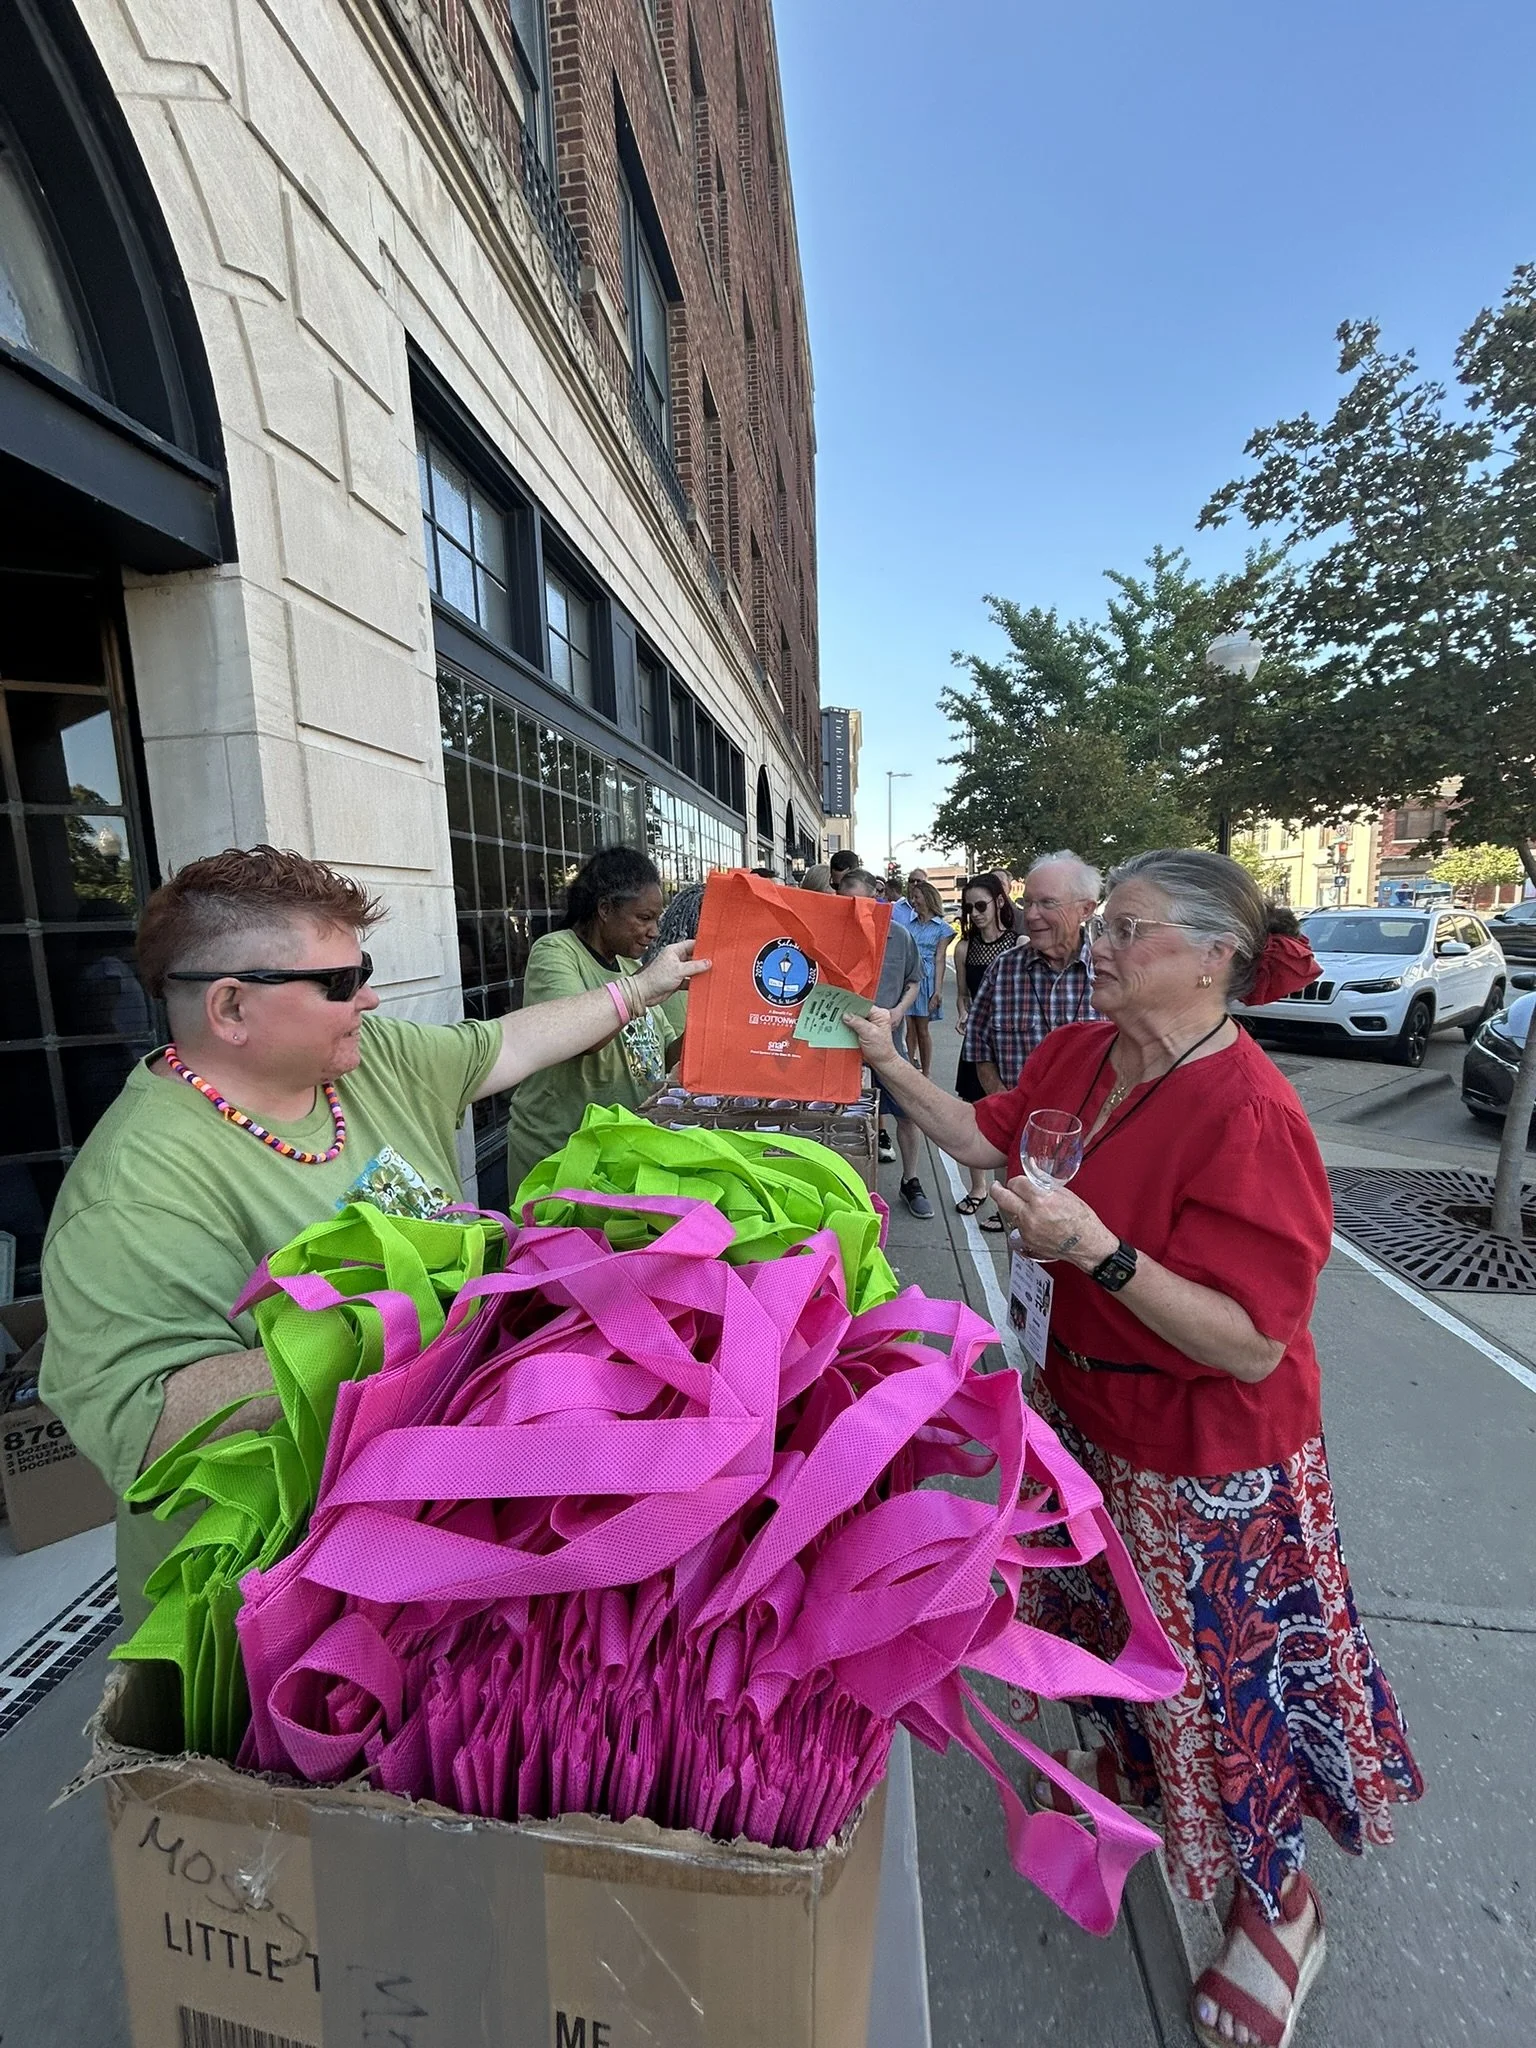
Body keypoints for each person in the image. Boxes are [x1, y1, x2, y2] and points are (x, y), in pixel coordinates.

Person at [845, 848, 1421, 2048]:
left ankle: (1279, 1906)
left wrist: (1099, 1251)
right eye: (1099, 922)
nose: (1095, 943)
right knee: (1106, 1626)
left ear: (1214, 957)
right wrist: (890, 1062)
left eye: (1127, 927)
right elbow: (986, 1138)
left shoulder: (1251, 1112)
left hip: (1204, 1461)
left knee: (1226, 1689)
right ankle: (1140, 1768)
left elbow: (1252, 1341)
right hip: (1083, 1409)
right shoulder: (1083, 1051)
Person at [40, 845, 706, 1626]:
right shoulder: (133, 1190)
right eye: (339, 983)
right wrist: (411, 1320)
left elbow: (509, 1044)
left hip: (412, 1544)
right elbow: (145, 1424)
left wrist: (642, 989)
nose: (370, 997)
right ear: (231, 1008)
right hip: (267, 1603)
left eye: (365, 970)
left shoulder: (366, 1060)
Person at [505, 847, 690, 1193]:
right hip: (562, 1158)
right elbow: (578, 1039)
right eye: (644, 918)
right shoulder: (556, 953)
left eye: (657, 919)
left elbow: (666, 1056)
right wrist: (644, 987)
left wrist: (708, 1020)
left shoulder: (631, 968)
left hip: (618, 1154)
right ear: (605, 909)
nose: (654, 931)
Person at [962, 851, 1101, 1200]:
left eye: (1047, 903)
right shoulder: (1004, 969)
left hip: (1096, 1151)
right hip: (1019, 1150)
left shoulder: (1110, 973)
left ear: (1086, 909)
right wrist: (1008, 1108)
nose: (1032, 915)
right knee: (1018, 1231)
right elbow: (978, 1048)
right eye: (1028, 903)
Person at [835, 869, 928, 1216]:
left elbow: (914, 981)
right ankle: (849, 1185)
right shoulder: (833, 935)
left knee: (908, 1112)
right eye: (845, 904)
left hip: (888, 1042)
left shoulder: (899, 936)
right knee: (845, 1119)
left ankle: (910, 1179)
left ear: (875, 897)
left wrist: (899, 1011)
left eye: (859, 903)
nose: (852, 911)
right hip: (841, 1043)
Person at [951, 874, 1018, 1216]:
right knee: (977, 1115)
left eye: (981, 906)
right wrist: (964, 1013)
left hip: (1010, 1042)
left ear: (999, 902)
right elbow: (963, 995)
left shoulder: (1019, 944)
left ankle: (1005, 1198)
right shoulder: (965, 948)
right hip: (977, 1041)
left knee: (1008, 1119)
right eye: (969, 908)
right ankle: (978, 1188)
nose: (975, 914)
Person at [903, 880, 954, 1080]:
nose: (913, 901)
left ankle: (926, 1072)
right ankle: (910, 1068)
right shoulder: (910, 925)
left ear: (927, 898)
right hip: (910, 976)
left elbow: (940, 958)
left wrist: (937, 991)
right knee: (909, 1026)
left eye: (917, 897)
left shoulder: (942, 928)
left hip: (927, 978)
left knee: (922, 1028)